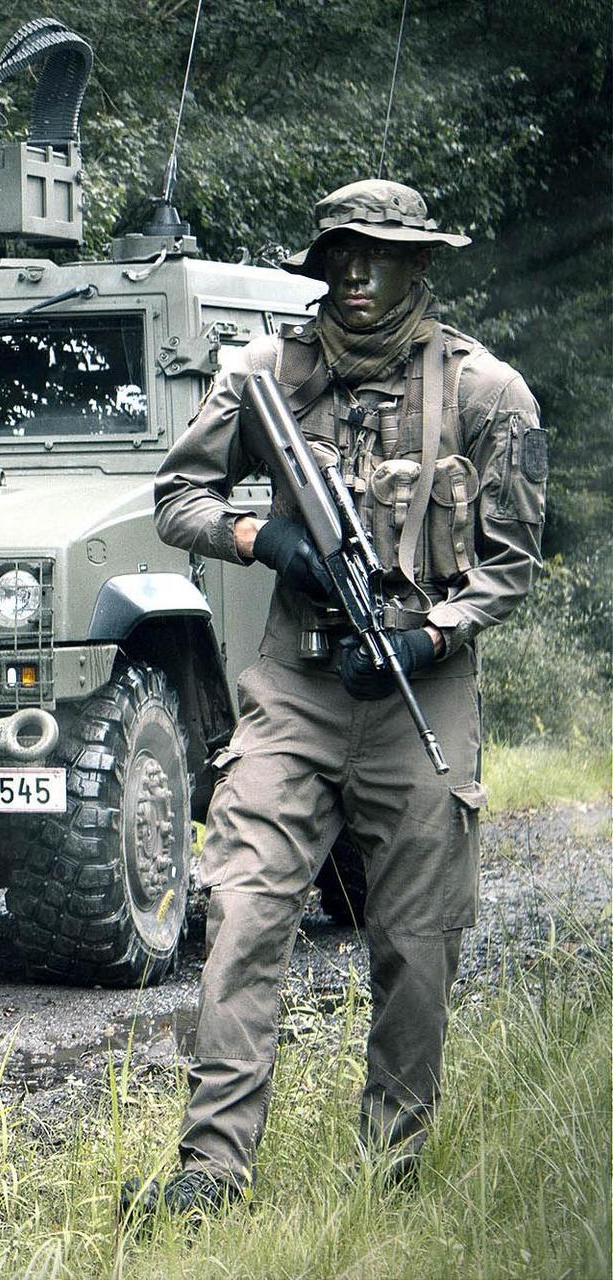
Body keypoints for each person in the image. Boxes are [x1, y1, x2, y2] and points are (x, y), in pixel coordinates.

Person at [126, 180, 546, 1219]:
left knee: (416, 937)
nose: (354, 275)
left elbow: (514, 564)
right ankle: (211, 1174)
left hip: (419, 692)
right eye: (338, 255)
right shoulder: (265, 374)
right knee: (242, 912)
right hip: (296, 686)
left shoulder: (490, 392)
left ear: (419, 264)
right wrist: (262, 537)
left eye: (378, 255)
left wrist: (433, 626)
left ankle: (389, 1175)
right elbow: (177, 497)